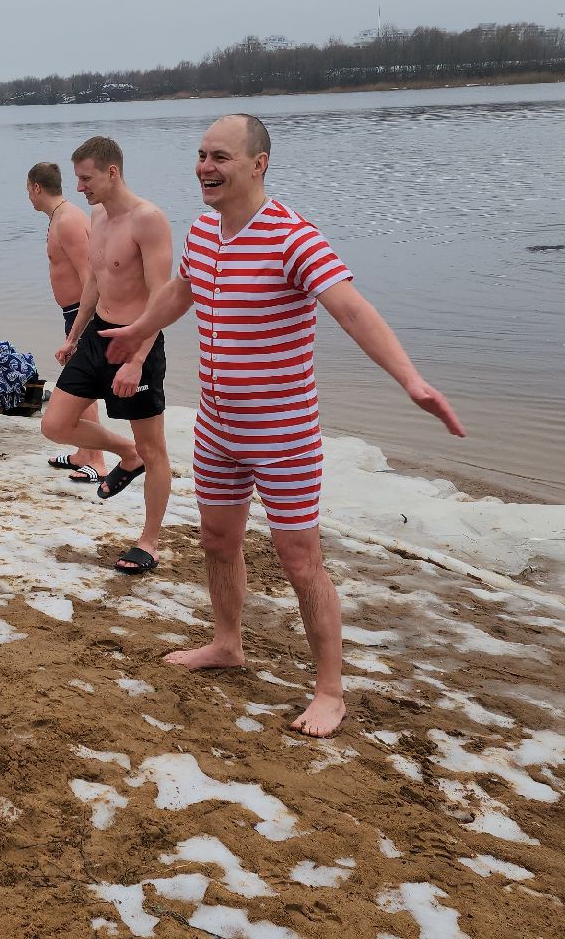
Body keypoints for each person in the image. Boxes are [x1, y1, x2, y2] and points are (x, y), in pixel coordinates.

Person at [103, 114, 465, 738]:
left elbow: (351, 309)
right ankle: (227, 643)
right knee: (217, 542)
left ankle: (330, 690)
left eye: (219, 157)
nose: (204, 168)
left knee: (300, 560)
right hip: (218, 426)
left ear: (258, 163)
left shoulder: (292, 237)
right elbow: (182, 289)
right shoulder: (205, 232)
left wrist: (411, 379)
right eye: (200, 155)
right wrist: (139, 330)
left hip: (283, 431)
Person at [41, 138, 173, 575]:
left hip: (137, 340)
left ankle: (149, 542)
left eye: (86, 178)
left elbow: (161, 297)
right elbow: (95, 283)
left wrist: (137, 359)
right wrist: (75, 335)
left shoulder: (148, 220)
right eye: (77, 178)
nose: (79, 187)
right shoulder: (97, 216)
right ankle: (124, 454)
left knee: (155, 448)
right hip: (97, 335)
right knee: (55, 425)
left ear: (112, 172)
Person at [29, 160, 106, 483]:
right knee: (77, 383)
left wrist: (81, 325)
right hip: (71, 312)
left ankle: (98, 461)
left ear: (36, 188)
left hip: (82, 312)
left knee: (81, 386)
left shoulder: (68, 220)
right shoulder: (60, 217)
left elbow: (90, 275)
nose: (29, 198)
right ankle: (82, 453)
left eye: (28, 192)